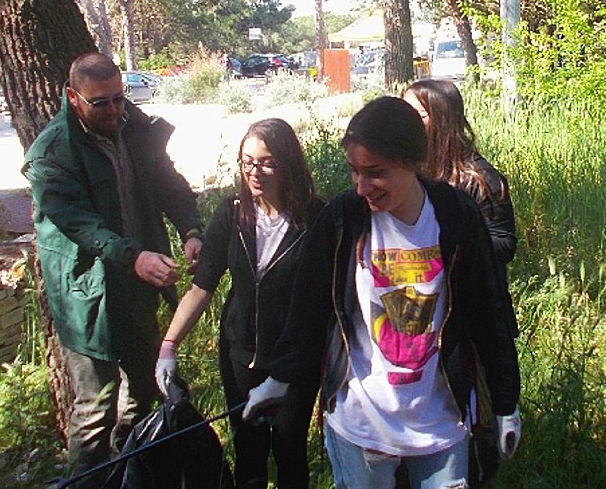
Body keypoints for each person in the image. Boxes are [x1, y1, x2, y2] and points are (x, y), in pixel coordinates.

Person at [242, 96, 522, 488]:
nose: (361, 187)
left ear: (411, 161)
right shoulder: (342, 218)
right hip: (360, 425)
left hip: (441, 424)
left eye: (375, 173)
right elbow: (307, 308)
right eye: (354, 172)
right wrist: (281, 379)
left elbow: (489, 311)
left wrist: (506, 403)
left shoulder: (456, 216)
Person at [22, 52, 203, 487]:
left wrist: (192, 229)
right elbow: (81, 224)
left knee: (143, 393)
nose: (114, 110)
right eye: (100, 102)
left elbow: (169, 184)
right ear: (73, 97)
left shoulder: (135, 130)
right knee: (94, 411)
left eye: (119, 98)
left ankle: (127, 475)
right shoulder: (51, 153)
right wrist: (133, 257)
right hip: (87, 300)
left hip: (136, 291)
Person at [155, 118, 325, 488]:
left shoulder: (316, 220)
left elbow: (321, 304)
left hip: (293, 361)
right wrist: (169, 346)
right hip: (240, 355)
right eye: (247, 162)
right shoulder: (232, 214)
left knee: (289, 450)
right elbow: (202, 287)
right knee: (248, 452)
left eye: (266, 162)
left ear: (288, 164)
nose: (254, 172)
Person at [402, 79, 517, 265]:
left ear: (442, 120)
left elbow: (504, 243)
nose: (407, 122)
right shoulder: (402, 169)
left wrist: (449, 249)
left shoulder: (480, 178)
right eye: (403, 113)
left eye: (417, 115)